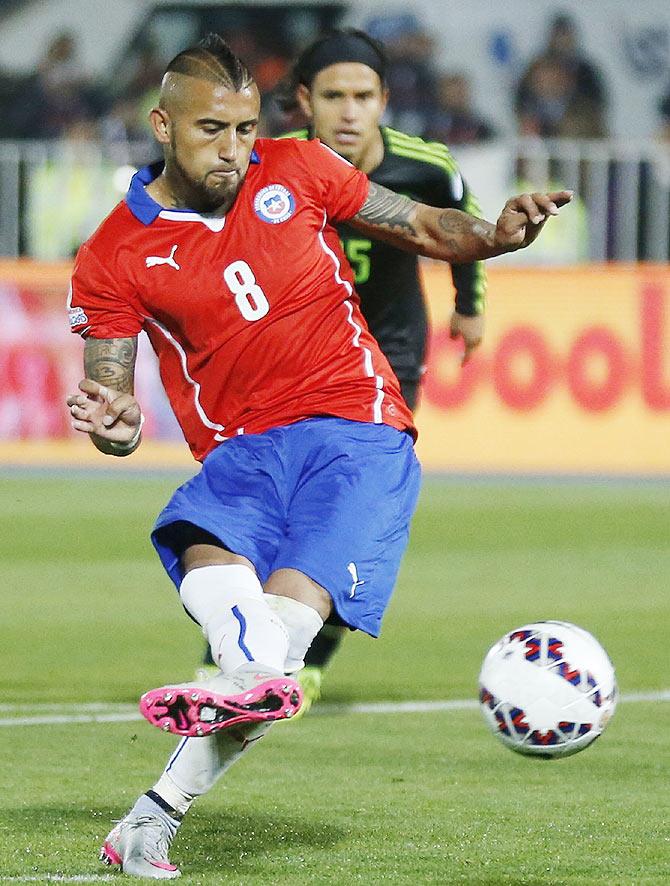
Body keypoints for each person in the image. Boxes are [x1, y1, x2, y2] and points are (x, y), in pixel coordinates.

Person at [66, 33, 570, 880]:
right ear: (161, 125)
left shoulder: (295, 168)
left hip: (356, 428)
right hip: (239, 449)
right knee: (226, 586)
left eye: (245, 127)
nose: (233, 150)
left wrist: (493, 233)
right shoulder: (114, 255)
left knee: (282, 640)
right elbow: (112, 408)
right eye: (211, 131)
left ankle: (192, 755)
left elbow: (421, 224)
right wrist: (112, 424)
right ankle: (164, 794)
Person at [261, 29, 491, 713]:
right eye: (334, 95)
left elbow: (462, 233)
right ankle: (246, 636)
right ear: (305, 100)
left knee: (350, 516)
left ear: (385, 99)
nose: (350, 111)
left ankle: (306, 662)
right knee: (278, 511)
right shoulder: (273, 169)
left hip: (388, 356)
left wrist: (469, 306)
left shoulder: (427, 167)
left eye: (364, 96)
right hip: (298, 359)